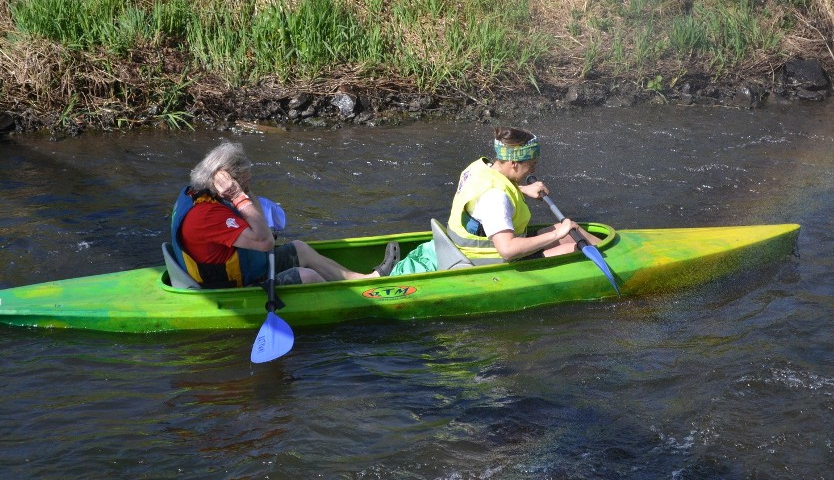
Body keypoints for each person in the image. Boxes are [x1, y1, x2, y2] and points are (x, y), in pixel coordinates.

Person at [170, 141, 400, 288]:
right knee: (306, 276)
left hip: (245, 266)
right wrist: (238, 195)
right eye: (245, 183)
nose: (248, 189)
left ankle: (363, 282)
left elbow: (261, 236)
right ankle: (348, 304)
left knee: (299, 248)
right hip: (228, 286)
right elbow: (266, 242)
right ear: (230, 183)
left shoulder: (199, 193)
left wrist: (245, 191)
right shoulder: (207, 215)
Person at [446, 126, 600, 263]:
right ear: (513, 163)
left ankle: (610, 251)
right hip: (487, 259)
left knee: (572, 231)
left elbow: (483, 196)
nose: (533, 171)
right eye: (531, 165)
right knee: (573, 248)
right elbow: (508, 250)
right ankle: (614, 265)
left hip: (473, 246)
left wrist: (523, 189)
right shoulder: (496, 198)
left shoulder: (479, 168)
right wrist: (557, 234)